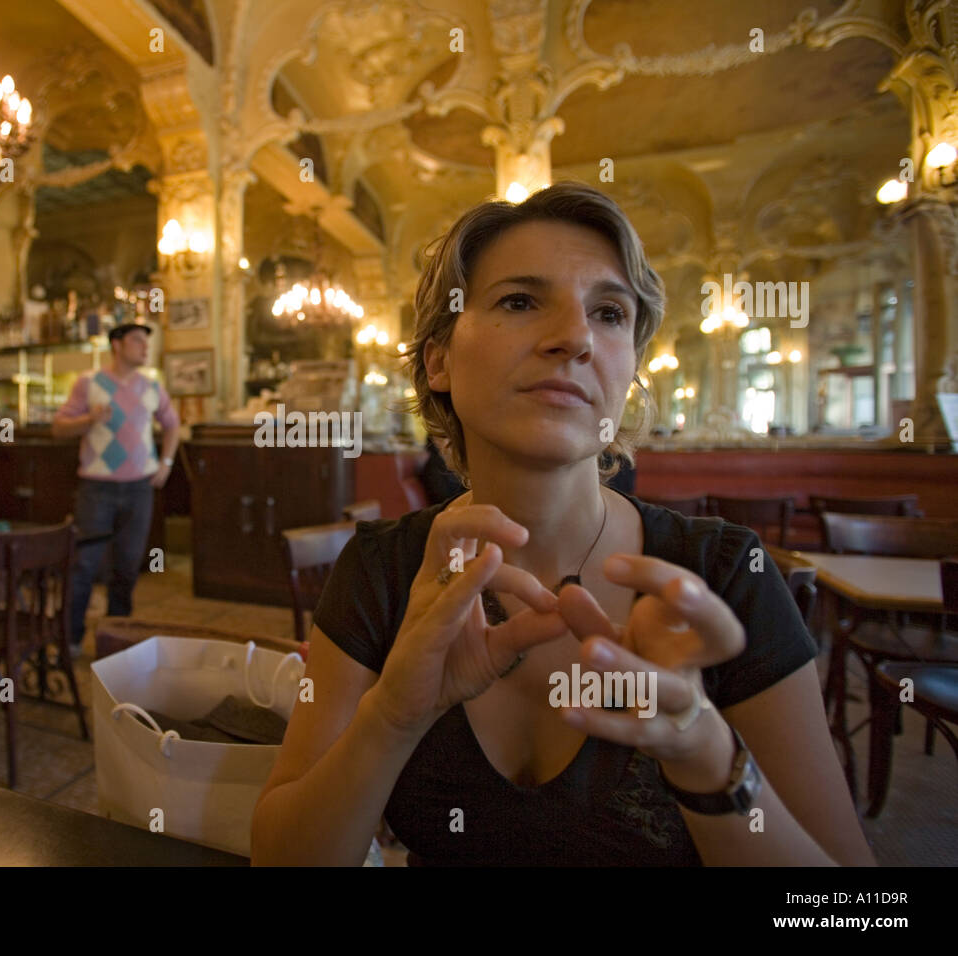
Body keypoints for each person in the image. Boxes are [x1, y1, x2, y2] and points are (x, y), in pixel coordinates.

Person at [251, 183, 874, 866]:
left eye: (609, 313)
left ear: (629, 369)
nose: (575, 337)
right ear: (438, 360)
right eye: (519, 301)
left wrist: (701, 751)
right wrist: (394, 717)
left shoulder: (721, 577)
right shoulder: (381, 570)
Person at [53, 323, 180, 655]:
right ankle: (71, 638)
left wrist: (165, 463)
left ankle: (114, 643)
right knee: (83, 565)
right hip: (97, 488)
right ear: (117, 345)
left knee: (127, 566)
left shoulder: (152, 385)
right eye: (137, 340)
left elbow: (172, 424)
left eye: (146, 341)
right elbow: (58, 428)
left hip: (140, 488)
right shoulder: (89, 382)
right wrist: (89, 419)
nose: (144, 347)